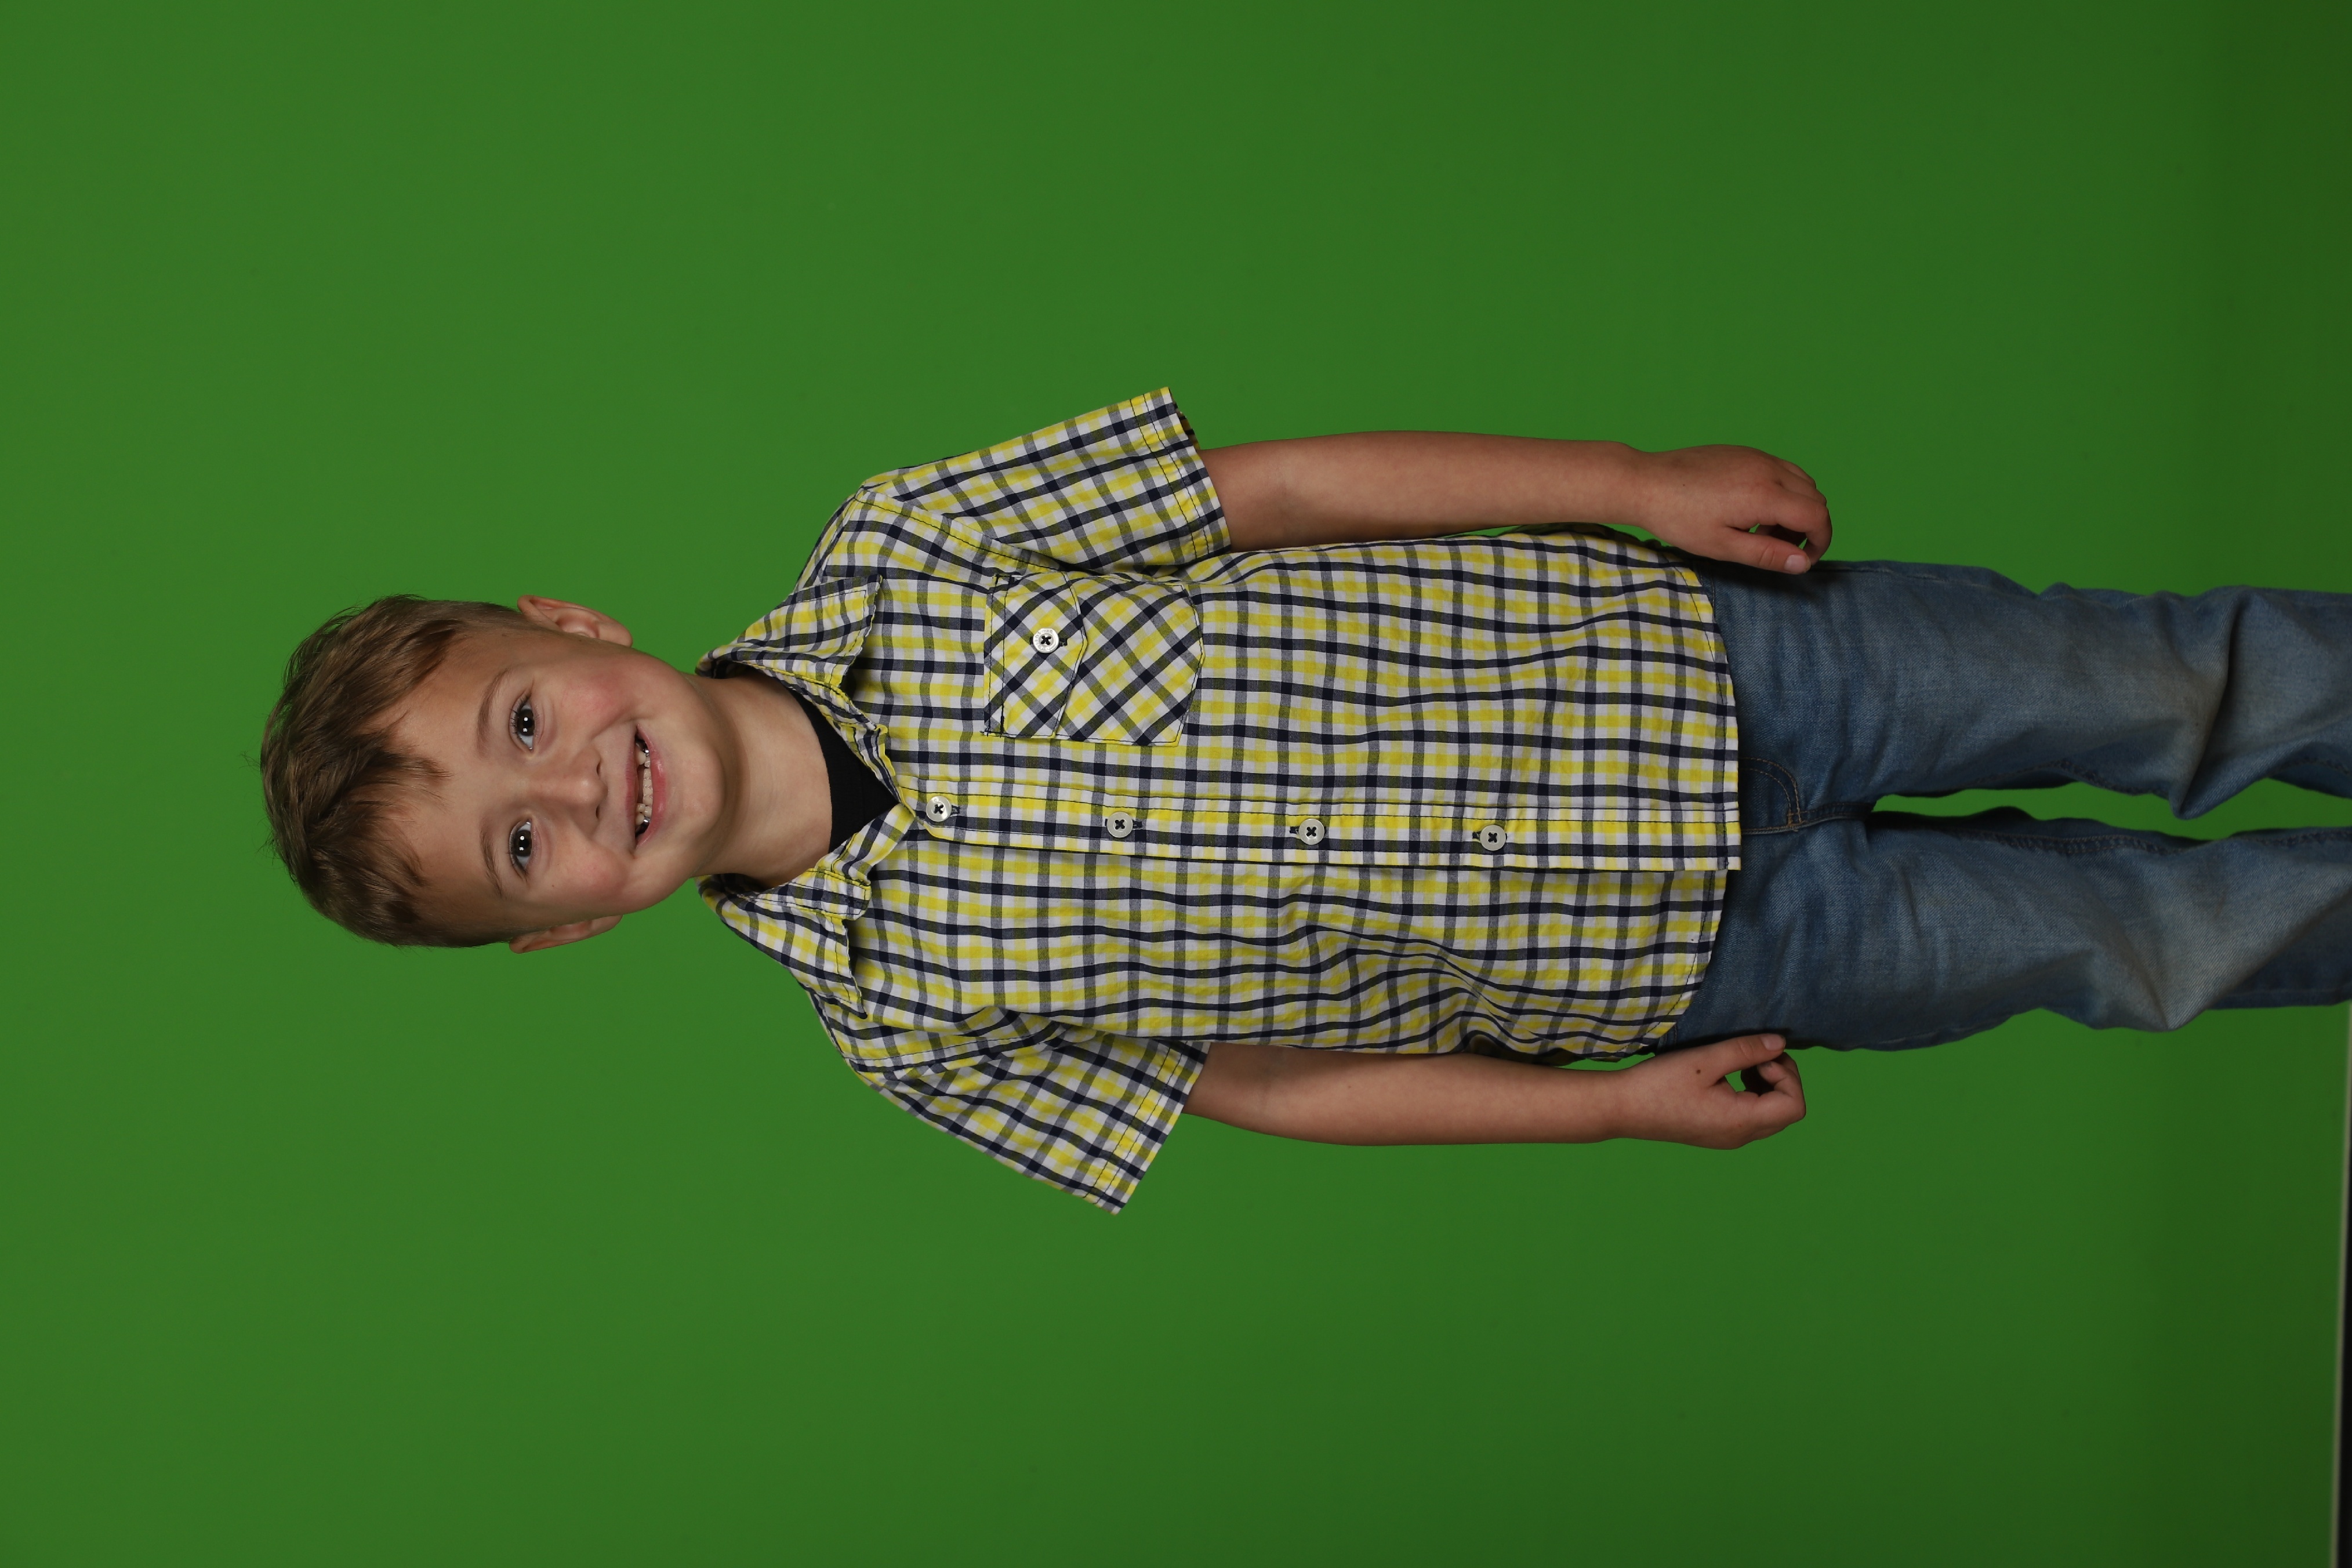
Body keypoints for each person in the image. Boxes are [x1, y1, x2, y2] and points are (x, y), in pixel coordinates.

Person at [260, 391, 2352, 1211]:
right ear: (569, 923)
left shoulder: (911, 539)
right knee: (2138, 944)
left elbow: (1278, 493)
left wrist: (1629, 485)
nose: (577, 781)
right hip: (1692, 954)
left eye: (524, 715)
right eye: (521, 841)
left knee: (2159, 680)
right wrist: (1605, 1110)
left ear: (569, 622)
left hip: (1721, 658)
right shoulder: (905, 1028)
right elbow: (1268, 1085)